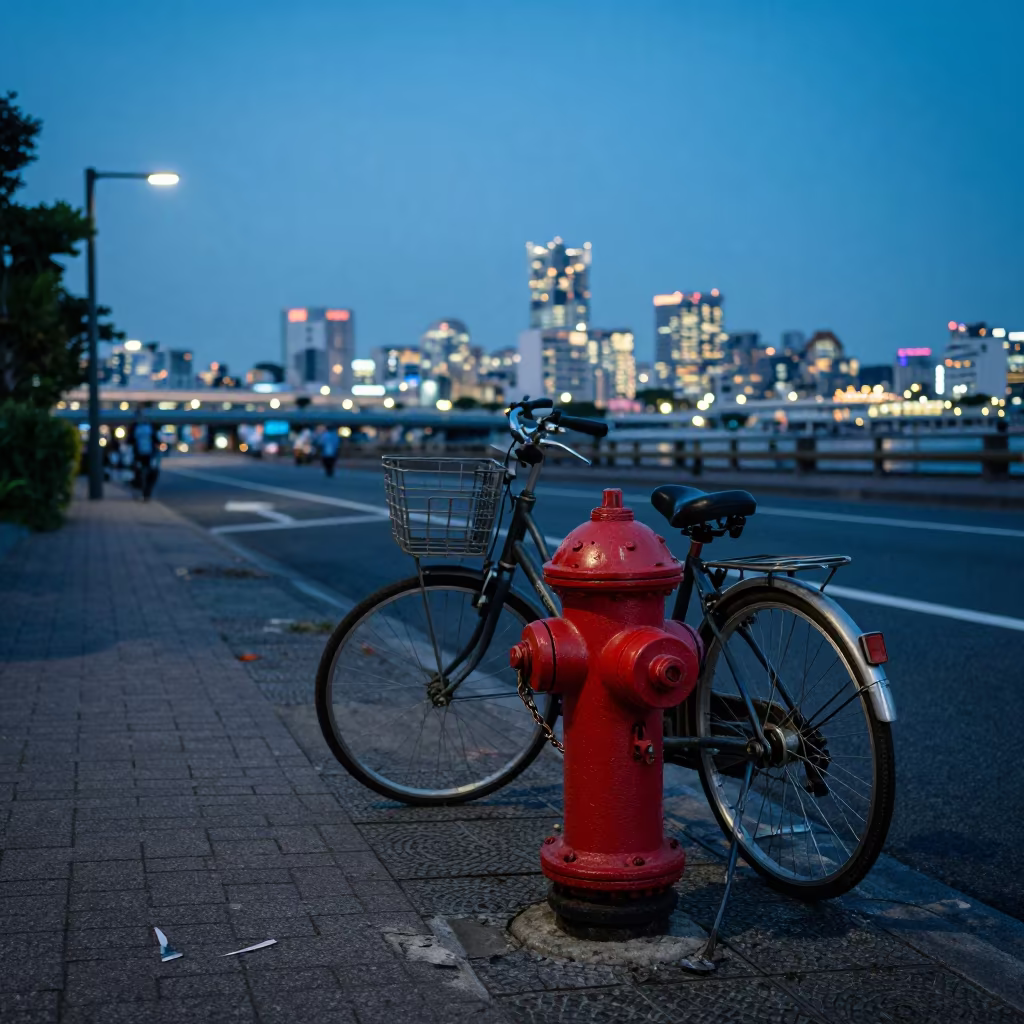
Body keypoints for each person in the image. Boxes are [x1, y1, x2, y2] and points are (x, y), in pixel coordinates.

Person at [129, 413, 159, 501]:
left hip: (144, 455)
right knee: (145, 474)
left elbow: (130, 440)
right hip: (142, 455)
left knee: (148, 473)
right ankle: (145, 493)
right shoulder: (147, 427)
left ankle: (145, 493)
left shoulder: (136, 427)